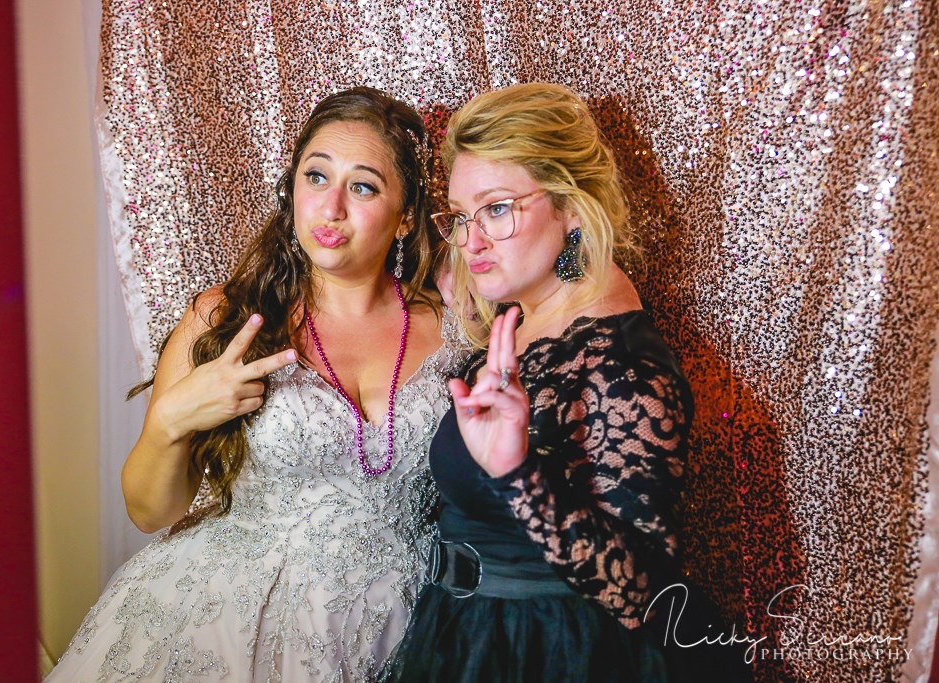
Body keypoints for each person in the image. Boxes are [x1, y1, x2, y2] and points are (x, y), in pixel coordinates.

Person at [47, 87, 467, 682]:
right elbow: (148, 510)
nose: (332, 206)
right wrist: (174, 420)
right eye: (315, 176)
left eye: (364, 186)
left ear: (404, 218)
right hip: (227, 622)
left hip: (408, 628)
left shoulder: (457, 330)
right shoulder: (227, 316)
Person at [385, 83, 749, 682]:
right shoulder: (521, 324)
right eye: (460, 216)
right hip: (463, 635)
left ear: (571, 208)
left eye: (498, 209)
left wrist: (518, 476)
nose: (471, 241)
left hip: (552, 653)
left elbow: (643, 594)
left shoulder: (622, 364)